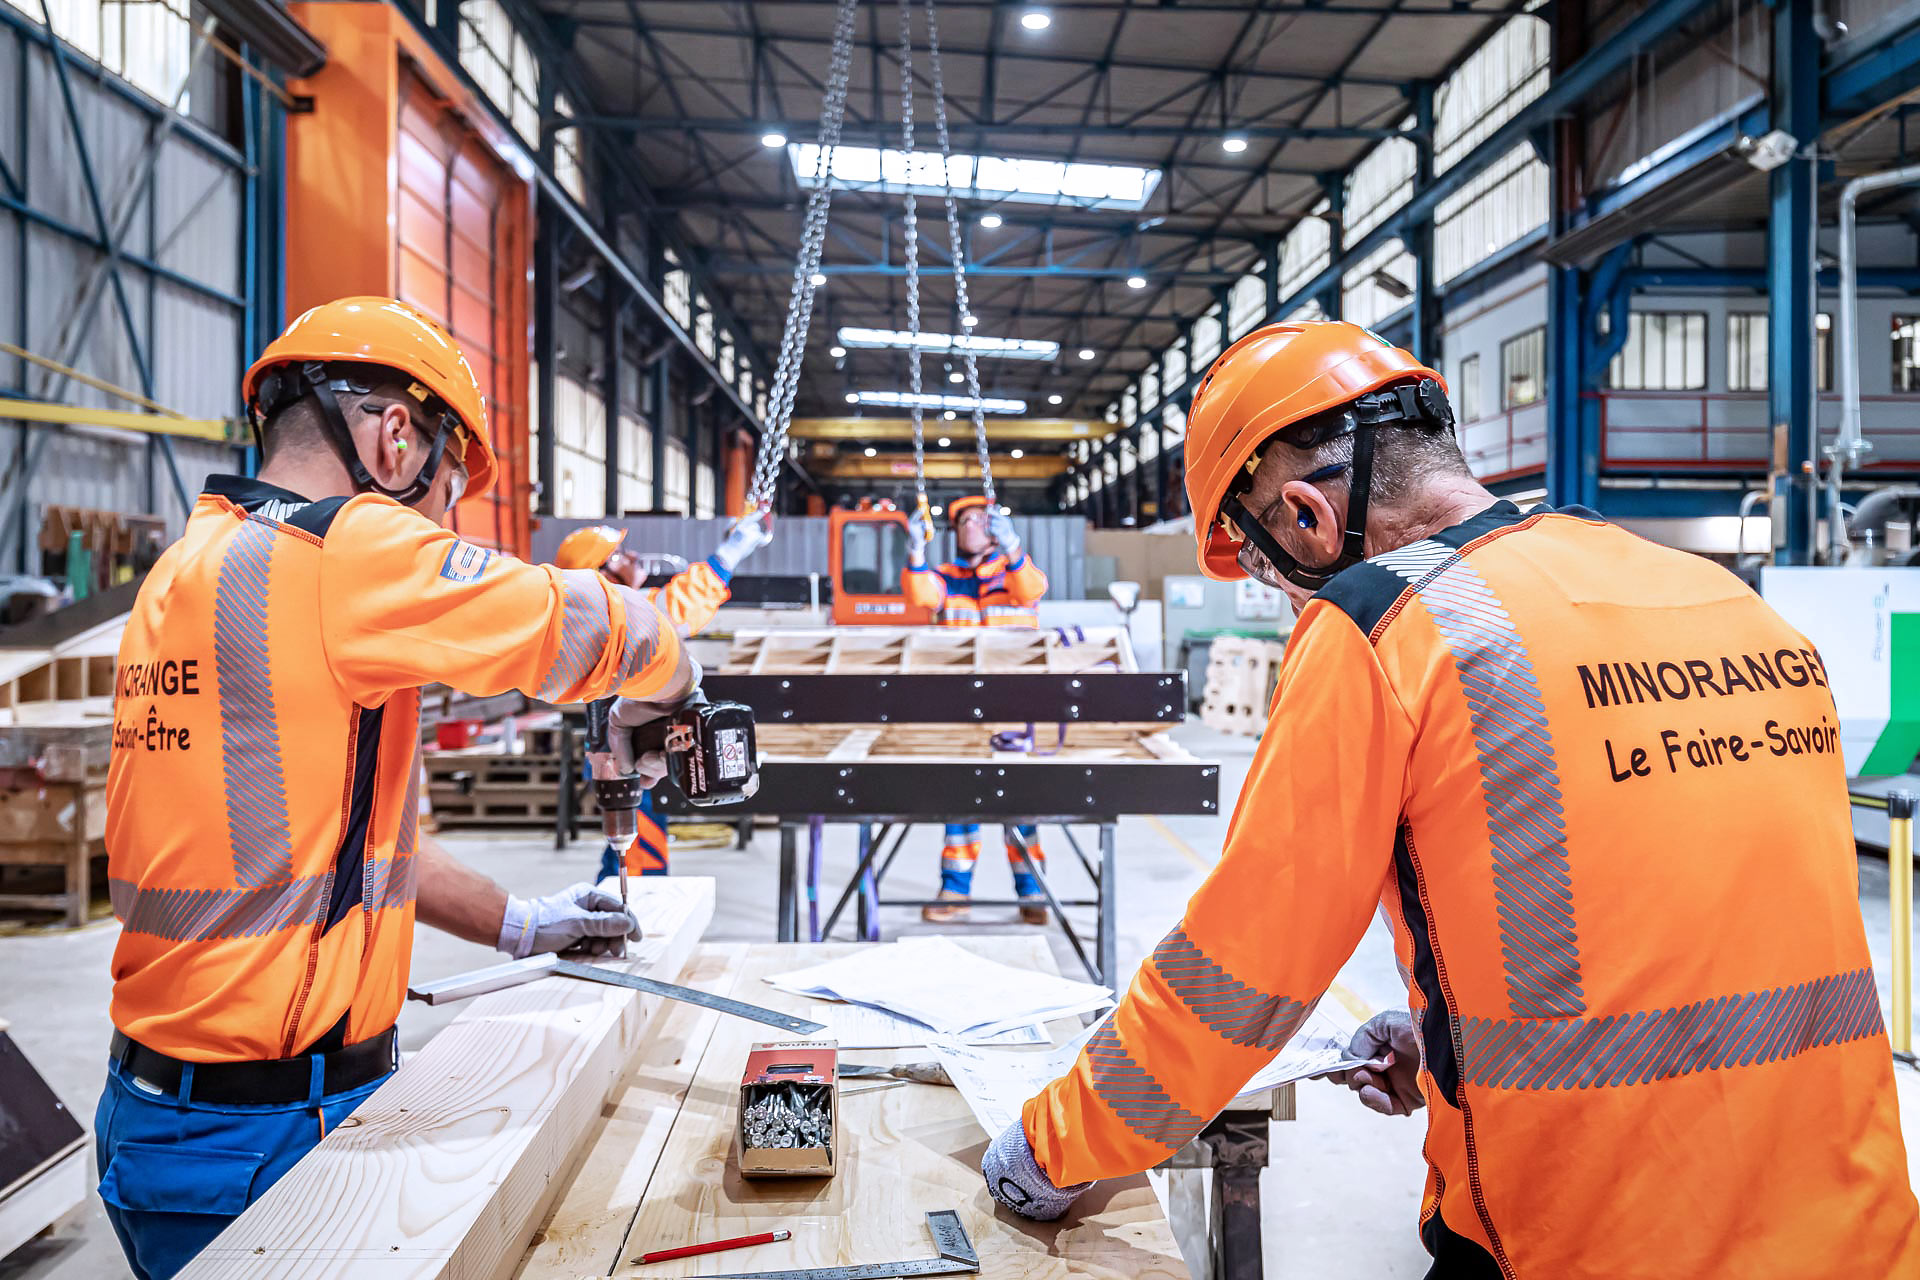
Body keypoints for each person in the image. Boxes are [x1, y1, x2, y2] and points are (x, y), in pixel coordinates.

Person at [980, 321, 1920, 1278]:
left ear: (1305, 515)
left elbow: (1241, 970)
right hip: (1859, 1231)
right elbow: (1688, 924)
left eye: (1269, 571)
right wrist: (1450, 1047)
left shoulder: (1385, 626)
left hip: (1586, 1242)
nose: (1289, 599)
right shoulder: (1723, 600)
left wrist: (1051, 1147)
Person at [98, 297, 697, 1280]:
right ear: (395, 438)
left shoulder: (187, 570)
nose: (441, 525)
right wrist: (674, 688)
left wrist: (521, 923)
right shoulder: (338, 550)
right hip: (262, 1137)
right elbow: (593, 624)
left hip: (161, 1117)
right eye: (446, 493)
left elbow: (330, 847)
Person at [554, 515, 771, 877]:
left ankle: (612, 893)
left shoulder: (602, 613)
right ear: (601, 574)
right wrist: (730, 553)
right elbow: (683, 604)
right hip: (623, 750)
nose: (632, 556)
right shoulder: (620, 614)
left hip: (619, 746)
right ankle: (634, 903)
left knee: (624, 849)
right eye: (619, 554)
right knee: (639, 857)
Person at [903, 495, 1050, 924]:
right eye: (964, 520)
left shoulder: (1015, 571)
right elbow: (921, 594)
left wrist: (1014, 549)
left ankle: (1032, 893)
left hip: (1016, 706)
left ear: (995, 529)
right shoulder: (945, 577)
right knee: (961, 801)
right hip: (962, 708)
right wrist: (915, 552)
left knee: (1020, 804)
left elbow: (1032, 590)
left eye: (980, 519)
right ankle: (955, 890)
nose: (972, 525)